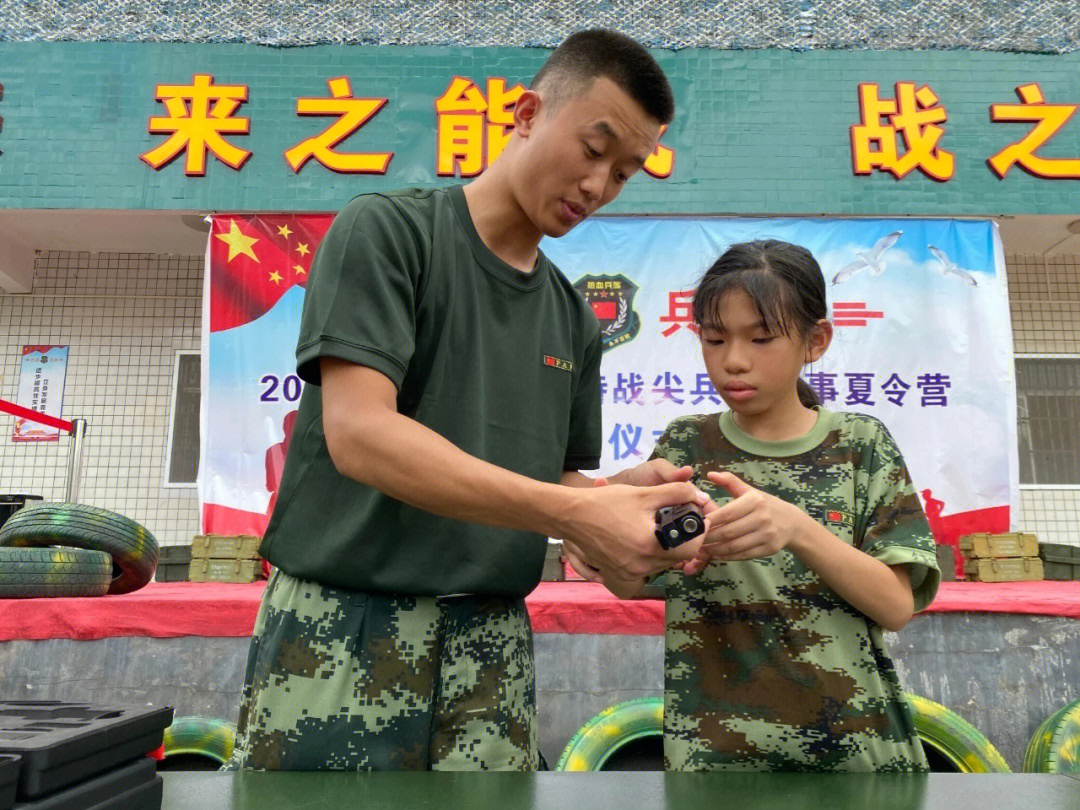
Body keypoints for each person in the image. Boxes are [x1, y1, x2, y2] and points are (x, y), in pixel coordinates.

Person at [227, 29, 710, 773]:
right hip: (341, 632)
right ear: (525, 114)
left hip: (492, 652)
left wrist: (615, 503)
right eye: (593, 149)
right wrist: (577, 511)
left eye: (624, 172)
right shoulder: (389, 233)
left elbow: (552, 485)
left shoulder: (572, 319)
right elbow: (359, 433)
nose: (598, 186)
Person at [570, 239, 940, 771]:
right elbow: (630, 580)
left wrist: (798, 529)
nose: (734, 361)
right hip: (713, 764)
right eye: (714, 340)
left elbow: (897, 606)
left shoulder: (860, 444)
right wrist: (596, 536)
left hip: (856, 762)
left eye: (761, 338)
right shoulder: (685, 449)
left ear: (816, 341)